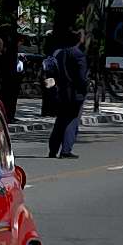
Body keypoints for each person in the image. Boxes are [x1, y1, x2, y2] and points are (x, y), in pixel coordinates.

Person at [48, 30, 88, 159]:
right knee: (72, 120)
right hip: (75, 92)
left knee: (60, 120)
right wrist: (86, 85)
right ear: (79, 39)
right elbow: (82, 77)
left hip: (61, 91)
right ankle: (66, 150)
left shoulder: (60, 53)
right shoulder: (79, 55)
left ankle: (53, 149)